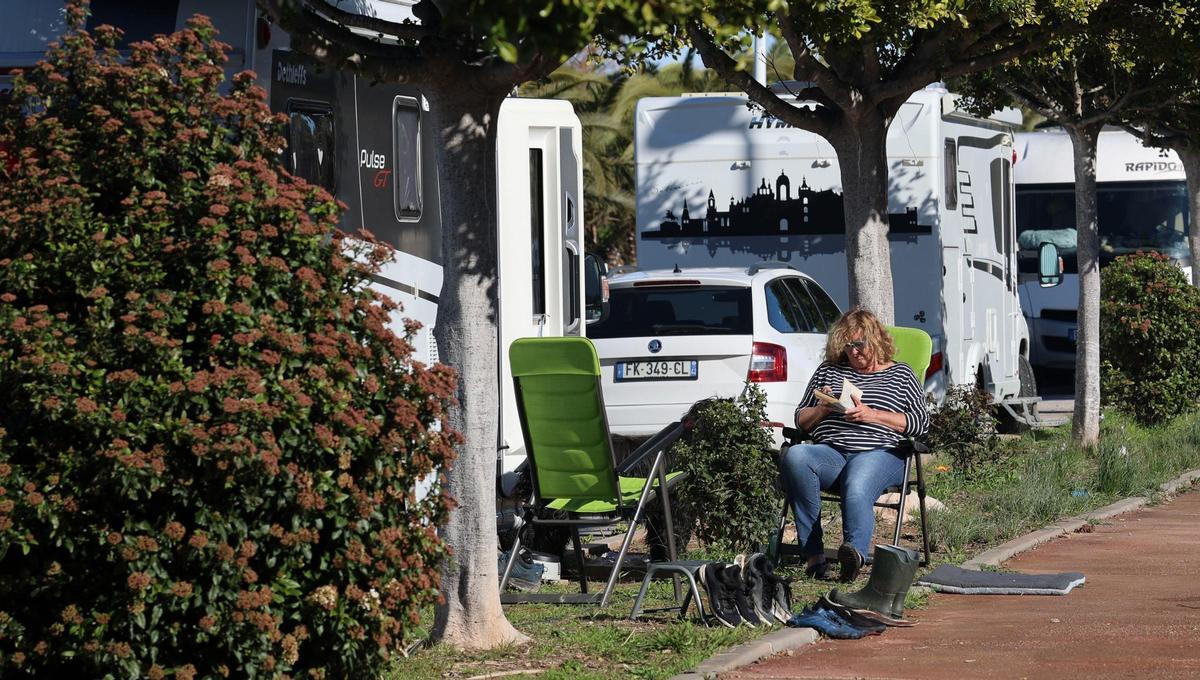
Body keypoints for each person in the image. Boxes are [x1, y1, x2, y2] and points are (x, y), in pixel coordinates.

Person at [780, 309, 929, 581]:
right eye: (847, 346)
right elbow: (801, 419)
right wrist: (824, 408)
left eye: (859, 344)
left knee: (858, 481)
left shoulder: (901, 374)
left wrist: (873, 415)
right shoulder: (829, 371)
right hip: (832, 453)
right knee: (796, 456)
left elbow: (921, 423)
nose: (853, 352)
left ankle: (854, 555)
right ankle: (814, 557)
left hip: (881, 453)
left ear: (876, 340)